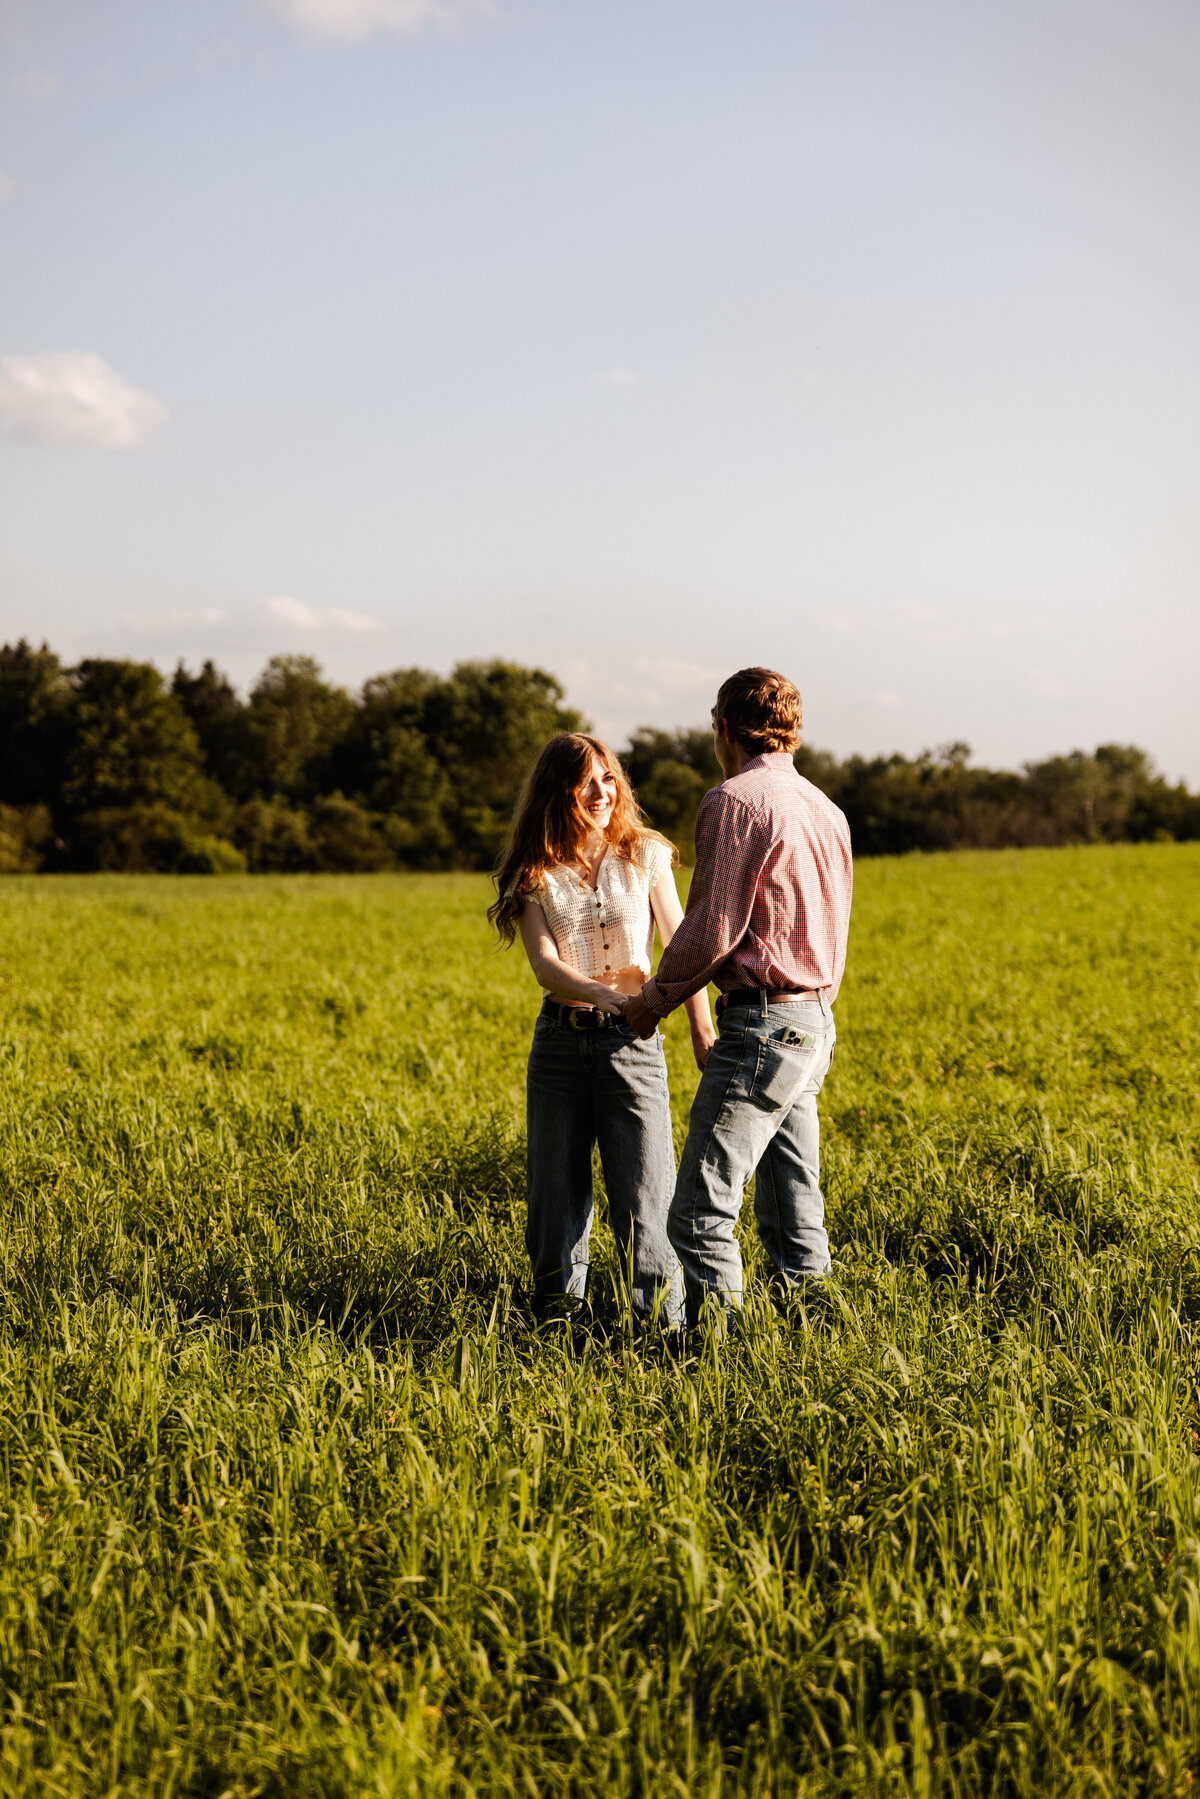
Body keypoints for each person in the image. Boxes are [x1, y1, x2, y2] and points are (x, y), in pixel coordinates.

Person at [620, 668, 852, 1327]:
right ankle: (820, 1343)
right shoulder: (826, 810)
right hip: (812, 1021)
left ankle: (717, 1360)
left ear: (725, 727)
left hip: (762, 1027)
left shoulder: (733, 801)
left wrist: (653, 1001)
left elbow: (712, 930)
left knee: (697, 1213)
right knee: (792, 1207)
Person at [489, 733, 715, 1330]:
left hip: (634, 1045)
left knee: (647, 1192)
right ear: (556, 790)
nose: (600, 792)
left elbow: (683, 944)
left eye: (608, 778)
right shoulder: (535, 872)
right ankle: (556, 1323)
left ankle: (658, 1326)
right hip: (560, 1044)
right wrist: (601, 995)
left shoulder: (645, 853)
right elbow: (544, 964)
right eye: (586, 781)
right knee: (555, 1197)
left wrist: (700, 1030)